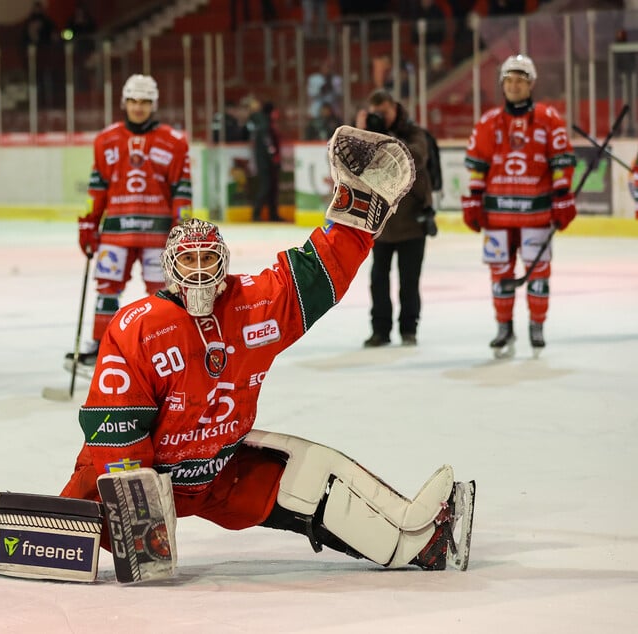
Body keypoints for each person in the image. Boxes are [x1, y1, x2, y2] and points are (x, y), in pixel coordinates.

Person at [61, 126, 473, 574]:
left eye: (208, 259)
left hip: (218, 472)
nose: (200, 271)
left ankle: (419, 545)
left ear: (224, 263)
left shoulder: (250, 306)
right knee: (77, 517)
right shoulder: (138, 326)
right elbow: (115, 423)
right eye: (189, 261)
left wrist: (354, 217)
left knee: (312, 476)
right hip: (141, 474)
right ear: (169, 269)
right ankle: (50, 534)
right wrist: (140, 515)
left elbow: (316, 278)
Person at [67, 74, 192, 374]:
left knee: (161, 292)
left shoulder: (174, 142)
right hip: (115, 232)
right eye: (134, 101)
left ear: (154, 104)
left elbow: (182, 189)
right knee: (107, 289)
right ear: (124, 102)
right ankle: (100, 345)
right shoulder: (105, 140)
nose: (138, 108)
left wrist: (182, 229)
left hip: (157, 233)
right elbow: (96, 188)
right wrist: (88, 223)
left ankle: (162, 345)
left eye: (145, 102)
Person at [462, 54, 576, 358]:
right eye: (509, 80)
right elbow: (478, 167)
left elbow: (561, 161)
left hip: (536, 213)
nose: (514, 86)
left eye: (520, 80)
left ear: (531, 84)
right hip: (496, 214)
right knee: (500, 273)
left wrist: (562, 196)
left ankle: (536, 327)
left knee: (538, 273)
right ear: (502, 84)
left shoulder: (549, 119)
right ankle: (504, 327)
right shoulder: (488, 122)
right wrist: (474, 199)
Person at [356, 89, 435, 348]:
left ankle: (408, 329)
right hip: (381, 223)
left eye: (384, 112)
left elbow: (417, 158)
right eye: (376, 113)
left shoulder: (413, 133)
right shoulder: (371, 136)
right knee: (378, 279)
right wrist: (361, 134)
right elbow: (355, 167)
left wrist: (387, 140)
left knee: (408, 281)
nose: (381, 117)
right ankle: (380, 330)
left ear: (395, 108)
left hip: (413, 221)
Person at [248, 99, 282, 222]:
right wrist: (273, 156)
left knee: (272, 188)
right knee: (266, 187)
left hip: (268, 162)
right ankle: (256, 214)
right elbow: (268, 143)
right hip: (265, 162)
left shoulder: (267, 123)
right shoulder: (264, 124)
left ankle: (273, 214)